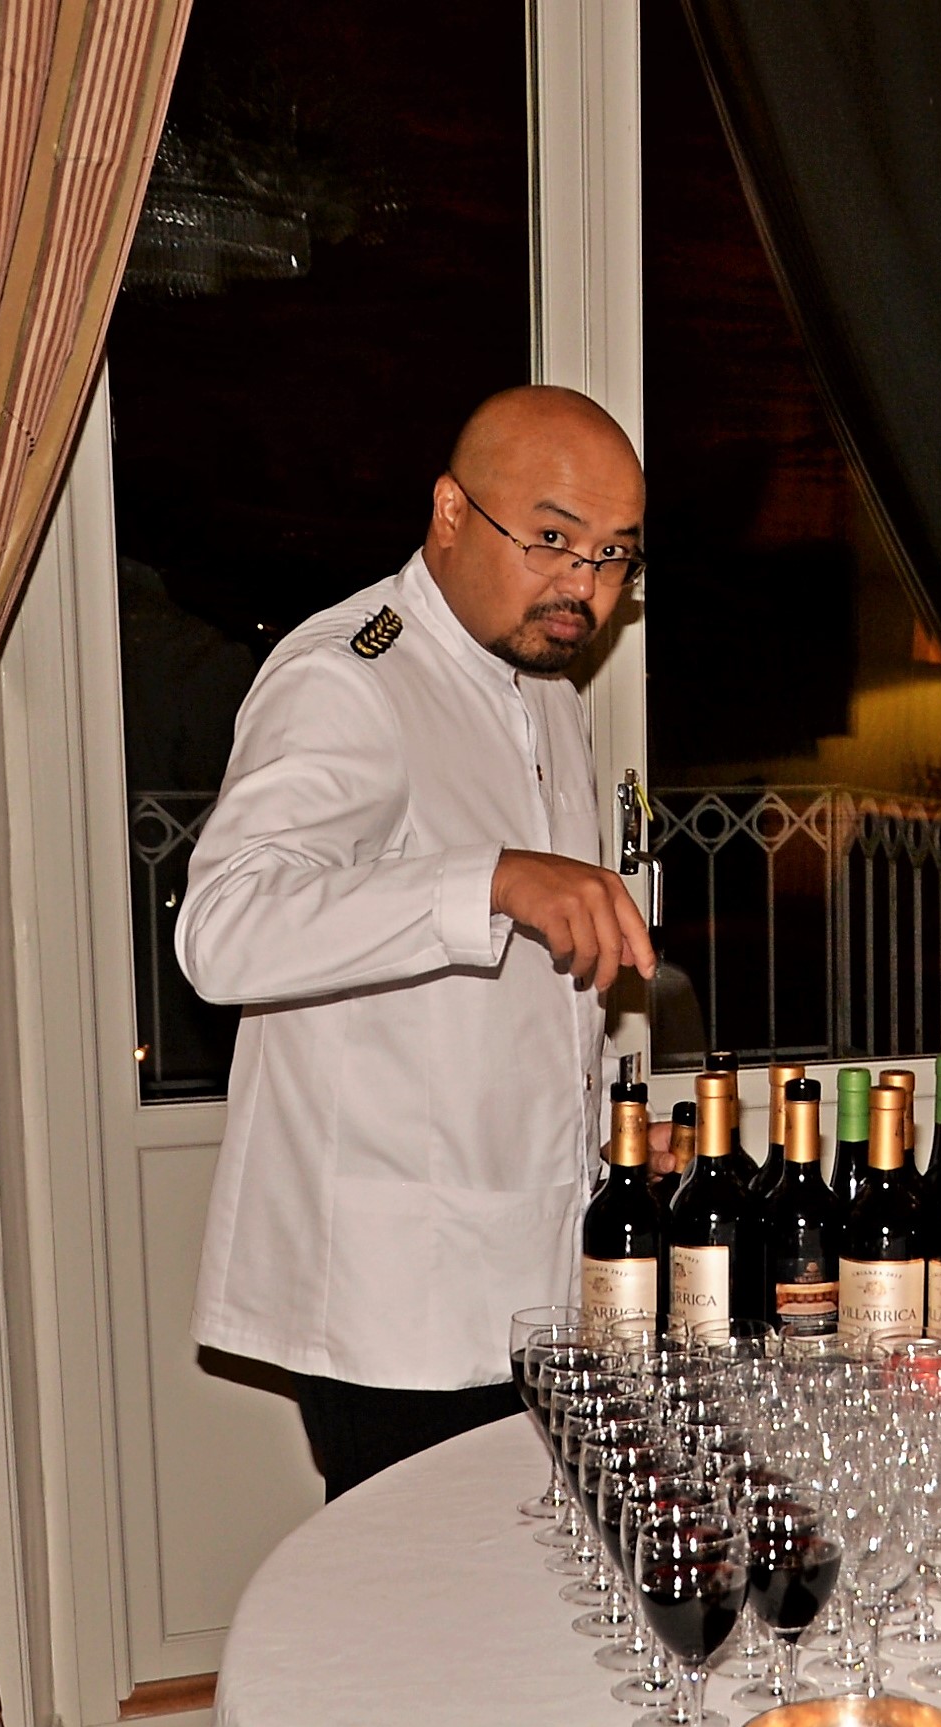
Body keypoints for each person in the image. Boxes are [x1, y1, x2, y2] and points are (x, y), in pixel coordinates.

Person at [177, 385, 655, 1499]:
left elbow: (520, 1003)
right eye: (552, 539)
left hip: (536, 1274)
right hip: (398, 1304)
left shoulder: (542, 680)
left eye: (614, 555)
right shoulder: (349, 678)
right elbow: (224, 928)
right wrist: (487, 878)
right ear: (449, 512)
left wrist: (610, 1141)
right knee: (419, 1604)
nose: (584, 587)